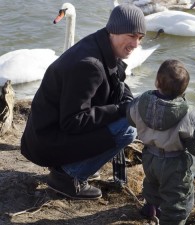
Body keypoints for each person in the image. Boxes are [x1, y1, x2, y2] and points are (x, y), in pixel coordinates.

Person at [20, 4, 146, 200]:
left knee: (126, 114)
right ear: (114, 30)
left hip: (47, 133)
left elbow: (117, 82)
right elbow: (73, 121)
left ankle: (72, 165)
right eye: (131, 36)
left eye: (140, 37)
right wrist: (121, 110)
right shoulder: (90, 65)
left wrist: (127, 102)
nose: (136, 44)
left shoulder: (101, 45)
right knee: (127, 128)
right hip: (45, 142)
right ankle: (68, 176)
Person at [126, 59, 195, 225]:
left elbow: (130, 119)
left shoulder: (140, 102)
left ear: (156, 81)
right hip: (174, 163)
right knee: (178, 198)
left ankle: (151, 208)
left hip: (149, 157)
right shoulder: (189, 114)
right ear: (184, 90)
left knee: (152, 184)